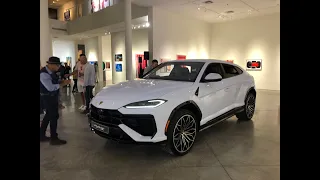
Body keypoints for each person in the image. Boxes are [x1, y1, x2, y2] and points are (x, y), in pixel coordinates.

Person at [40, 57, 70, 145]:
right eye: (57, 65)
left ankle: (41, 135)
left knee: (49, 115)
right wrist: (62, 84)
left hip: (52, 97)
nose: (58, 67)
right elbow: (50, 88)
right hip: (47, 97)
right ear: (51, 65)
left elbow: (55, 81)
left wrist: (61, 81)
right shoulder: (44, 74)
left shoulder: (51, 72)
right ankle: (54, 138)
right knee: (53, 116)